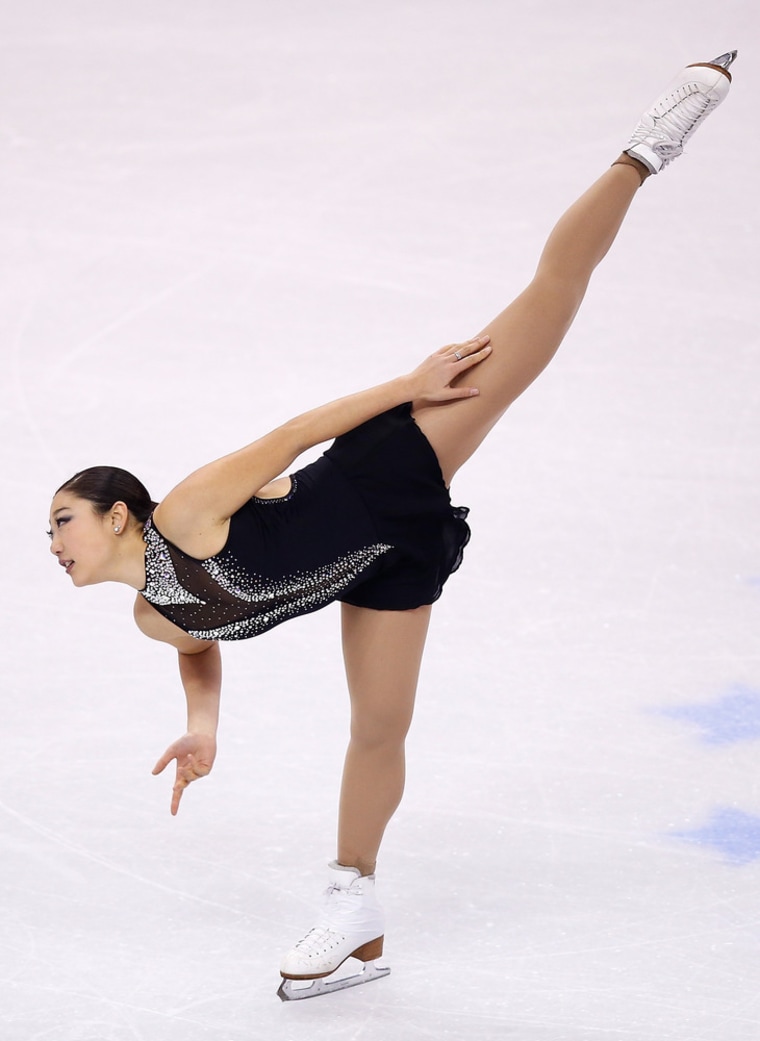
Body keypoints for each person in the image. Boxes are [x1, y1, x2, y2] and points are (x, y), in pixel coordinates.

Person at [48, 53, 737, 999]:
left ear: (117, 513)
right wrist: (201, 726)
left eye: (64, 522)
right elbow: (199, 640)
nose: (54, 544)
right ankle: (357, 911)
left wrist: (409, 388)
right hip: (378, 568)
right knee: (380, 726)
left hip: (380, 474)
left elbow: (294, 432)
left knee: (547, 302)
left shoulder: (190, 510)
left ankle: (645, 148)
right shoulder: (152, 618)